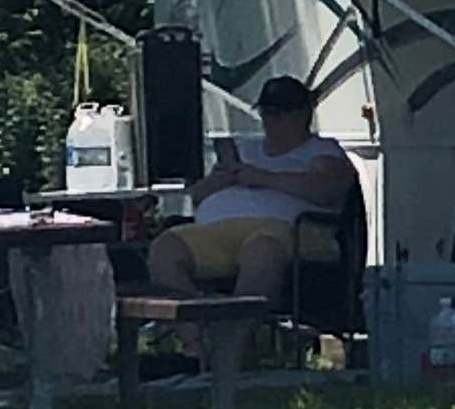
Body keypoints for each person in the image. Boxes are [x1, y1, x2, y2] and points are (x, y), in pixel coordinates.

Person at [146, 75, 357, 305]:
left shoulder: (321, 151)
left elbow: (325, 191)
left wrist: (261, 178)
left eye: (276, 115)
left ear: (301, 114)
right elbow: (198, 195)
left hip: (286, 232)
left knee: (261, 251)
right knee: (165, 249)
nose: (268, 121)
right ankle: (196, 337)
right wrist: (224, 177)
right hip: (219, 229)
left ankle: (238, 336)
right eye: (265, 113)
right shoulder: (245, 150)